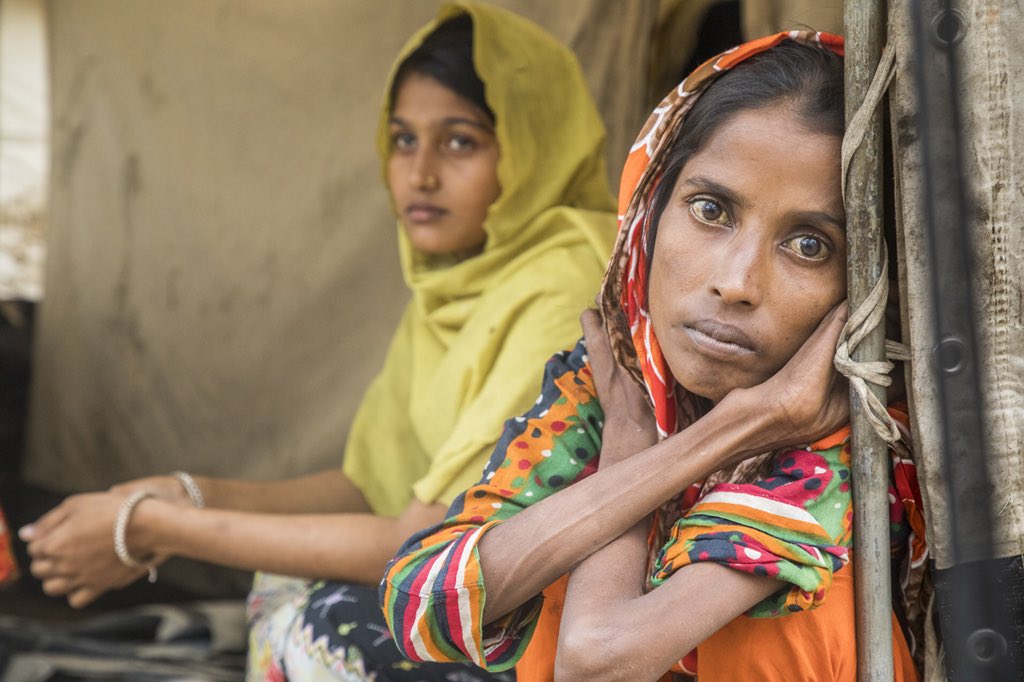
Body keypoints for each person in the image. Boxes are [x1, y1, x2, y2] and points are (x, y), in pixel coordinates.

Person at [20, 4, 617, 680]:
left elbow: (422, 539)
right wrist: (185, 493)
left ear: (536, 146)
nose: (418, 175)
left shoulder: (562, 281)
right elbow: (368, 486)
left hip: (546, 629)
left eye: (459, 142)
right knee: (282, 583)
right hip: (450, 590)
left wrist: (152, 527)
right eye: (402, 140)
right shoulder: (463, 281)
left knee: (316, 621)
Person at [380, 32, 929, 681]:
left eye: (809, 245)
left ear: (862, 284)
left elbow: (597, 659)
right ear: (651, 210)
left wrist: (687, 445)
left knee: (789, 608)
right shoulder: (614, 385)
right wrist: (652, 449)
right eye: (711, 209)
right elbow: (418, 603)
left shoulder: (842, 437)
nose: (737, 282)